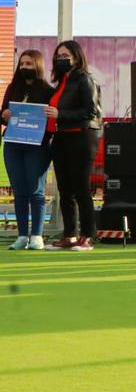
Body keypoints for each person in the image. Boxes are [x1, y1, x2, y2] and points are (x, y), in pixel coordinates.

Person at [45, 40, 102, 252]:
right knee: (65, 189)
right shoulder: (62, 82)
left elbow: (91, 111)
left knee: (81, 188)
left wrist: (60, 114)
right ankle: (69, 235)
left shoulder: (85, 79)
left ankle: (88, 235)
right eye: (58, 56)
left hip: (82, 136)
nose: (61, 59)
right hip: (61, 137)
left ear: (76, 57)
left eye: (65, 55)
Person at [1, 50, 55, 250]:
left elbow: (53, 122)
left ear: (38, 66)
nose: (24, 67)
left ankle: (37, 236)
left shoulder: (48, 91)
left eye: (29, 64)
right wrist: (4, 115)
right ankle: (22, 235)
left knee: (36, 190)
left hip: (37, 146)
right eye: (22, 64)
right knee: (19, 191)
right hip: (13, 144)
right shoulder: (13, 88)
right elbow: (2, 114)